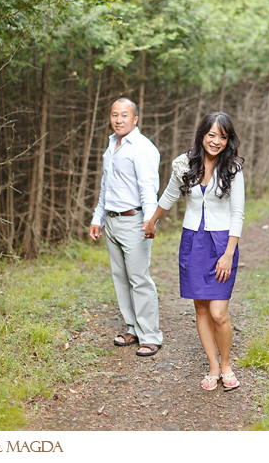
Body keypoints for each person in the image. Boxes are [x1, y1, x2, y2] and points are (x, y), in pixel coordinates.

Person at [143, 112, 244, 390]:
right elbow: (169, 195)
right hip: (192, 241)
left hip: (223, 243)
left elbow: (238, 214)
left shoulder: (233, 169)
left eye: (222, 136)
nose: (216, 141)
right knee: (201, 309)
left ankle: (226, 365)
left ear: (228, 140)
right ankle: (213, 366)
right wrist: (152, 221)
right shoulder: (184, 164)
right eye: (211, 134)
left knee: (219, 313)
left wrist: (227, 253)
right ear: (202, 135)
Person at [89, 98, 163, 356]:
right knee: (120, 278)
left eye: (124, 115)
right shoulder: (111, 146)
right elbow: (105, 186)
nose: (118, 120)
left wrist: (150, 220)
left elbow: (148, 186)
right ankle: (132, 328)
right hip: (111, 219)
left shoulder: (143, 148)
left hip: (135, 220)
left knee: (139, 279)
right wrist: (98, 217)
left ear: (135, 119)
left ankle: (150, 336)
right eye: (114, 115)